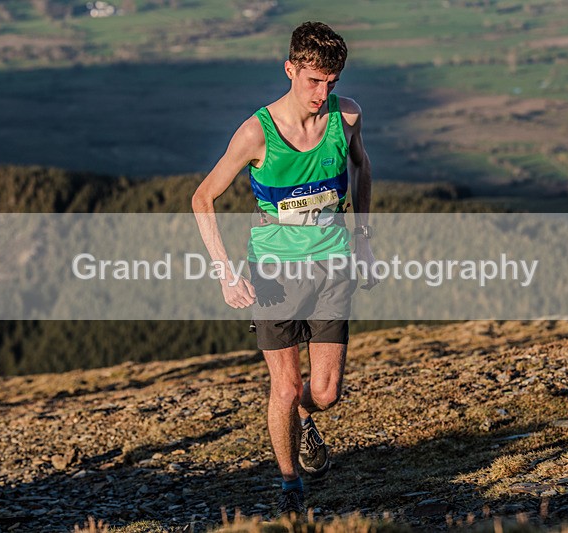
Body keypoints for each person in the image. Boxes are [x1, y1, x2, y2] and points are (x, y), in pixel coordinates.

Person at [191, 21, 377, 517]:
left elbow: (360, 167)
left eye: (331, 82)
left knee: (325, 392)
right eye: (314, 80)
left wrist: (364, 238)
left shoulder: (348, 117)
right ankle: (290, 482)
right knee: (286, 386)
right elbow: (202, 197)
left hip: (333, 265)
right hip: (274, 276)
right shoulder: (257, 132)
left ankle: (304, 418)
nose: (323, 92)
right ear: (290, 69)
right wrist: (226, 273)